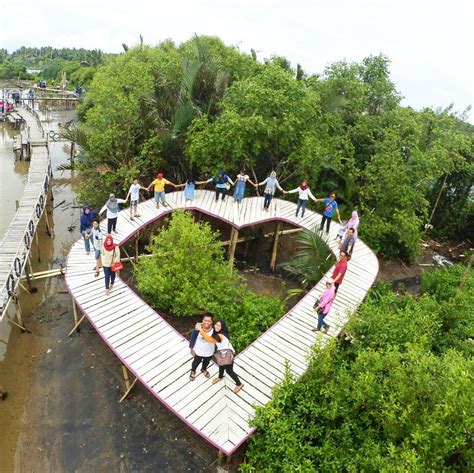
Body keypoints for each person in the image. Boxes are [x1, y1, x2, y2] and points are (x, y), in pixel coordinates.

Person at [196, 319, 244, 394]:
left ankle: (239, 384)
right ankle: (220, 377)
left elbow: (210, 339)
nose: (217, 326)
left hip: (228, 355)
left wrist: (200, 330)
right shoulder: (218, 332)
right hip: (222, 353)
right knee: (221, 365)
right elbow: (211, 338)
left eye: (219, 325)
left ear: (222, 327)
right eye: (216, 324)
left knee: (229, 371)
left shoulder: (220, 335)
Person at [189, 313, 215, 381]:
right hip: (198, 351)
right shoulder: (198, 328)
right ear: (202, 320)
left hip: (209, 352)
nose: (207, 322)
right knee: (195, 363)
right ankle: (193, 371)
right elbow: (192, 338)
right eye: (205, 320)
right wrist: (191, 349)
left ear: (212, 321)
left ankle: (203, 369)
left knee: (206, 363)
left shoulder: (215, 330)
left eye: (209, 321)